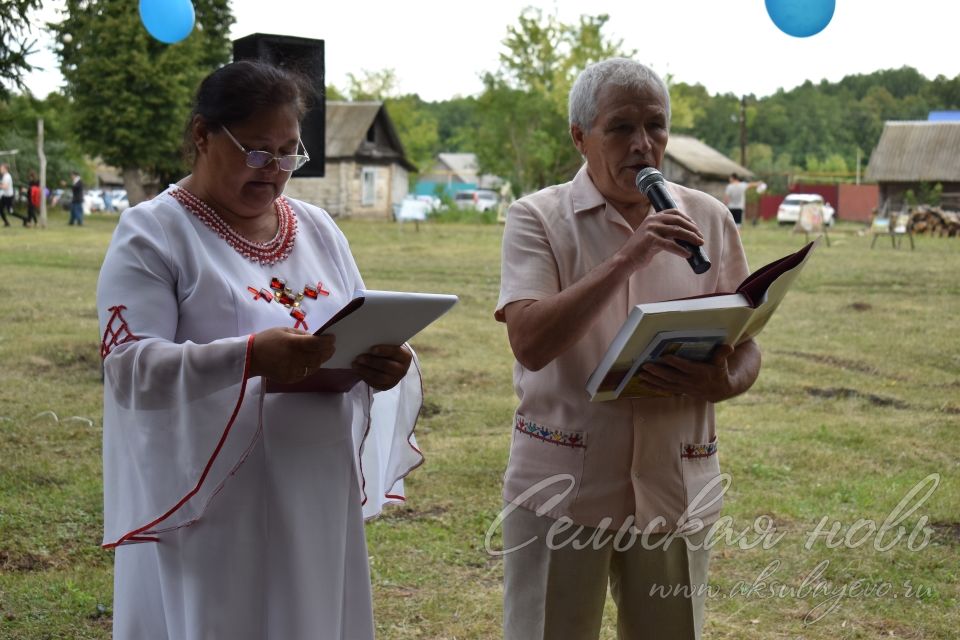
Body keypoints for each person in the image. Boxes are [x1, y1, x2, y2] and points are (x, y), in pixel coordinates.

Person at [97, 60, 424, 639]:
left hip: (316, 483)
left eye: (288, 154)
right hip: (212, 498)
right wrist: (247, 356)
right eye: (255, 152)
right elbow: (129, 369)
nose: (274, 172)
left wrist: (385, 362)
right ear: (202, 135)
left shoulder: (318, 227)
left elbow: (355, 318)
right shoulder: (154, 233)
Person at [495, 58, 761, 640]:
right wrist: (628, 257)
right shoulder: (536, 218)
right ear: (579, 136)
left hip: (675, 486)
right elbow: (530, 342)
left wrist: (727, 381)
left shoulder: (710, 219)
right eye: (620, 127)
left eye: (656, 126)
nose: (643, 144)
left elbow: (747, 347)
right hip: (562, 488)